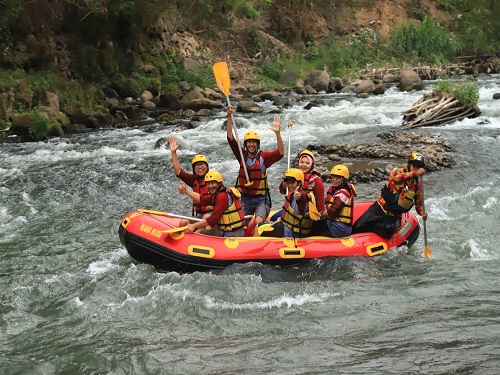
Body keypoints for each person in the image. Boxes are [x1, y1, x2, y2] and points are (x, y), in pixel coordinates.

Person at [226, 105, 284, 234]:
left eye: (254, 142)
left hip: (261, 201)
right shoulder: (241, 155)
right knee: (239, 223)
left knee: (257, 222)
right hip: (244, 199)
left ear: (257, 144)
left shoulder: (264, 158)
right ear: (246, 144)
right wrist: (229, 116)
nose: (251, 144)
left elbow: (280, 153)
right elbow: (230, 138)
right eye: (249, 142)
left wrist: (278, 133)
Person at [352, 152, 428, 237]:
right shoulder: (398, 172)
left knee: (388, 231)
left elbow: (419, 206)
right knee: (356, 227)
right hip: (379, 208)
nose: (416, 169)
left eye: (419, 167)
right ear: (409, 164)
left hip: (394, 216)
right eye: (414, 166)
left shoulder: (417, 185)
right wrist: (415, 174)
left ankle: (373, 229)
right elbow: (396, 178)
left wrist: (422, 213)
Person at [178, 170, 245, 237]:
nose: (210, 186)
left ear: (219, 183)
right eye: (208, 183)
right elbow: (202, 199)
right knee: (198, 227)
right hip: (226, 230)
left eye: (213, 183)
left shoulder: (222, 196)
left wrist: (194, 225)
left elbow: (213, 219)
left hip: (230, 233)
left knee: (198, 232)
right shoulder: (218, 194)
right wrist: (186, 190)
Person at [169, 136, 213, 219]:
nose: (200, 167)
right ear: (193, 169)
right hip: (200, 215)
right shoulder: (193, 180)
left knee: (206, 218)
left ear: (207, 167)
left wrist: (186, 190)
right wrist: (173, 153)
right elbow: (178, 172)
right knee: (183, 222)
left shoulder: (213, 180)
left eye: (202, 164)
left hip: (213, 214)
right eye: (197, 165)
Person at [319, 165, 357, 238]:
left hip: (341, 228)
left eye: (338, 178)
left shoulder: (344, 193)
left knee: (313, 225)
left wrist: (321, 214)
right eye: (333, 177)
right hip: (337, 224)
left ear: (343, 179)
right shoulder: (336, 190)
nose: (334, 179)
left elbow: (333, 212)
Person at [281, 168, 313, 238]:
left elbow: (302, 198)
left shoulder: (301, 195)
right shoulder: (291, 194)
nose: (289, 185)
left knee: (259, 228)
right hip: (288, 228)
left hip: (294, 233)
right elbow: (281, 189)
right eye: (288, 183)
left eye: (292, 183)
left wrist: (299, 197)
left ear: (299, 183)